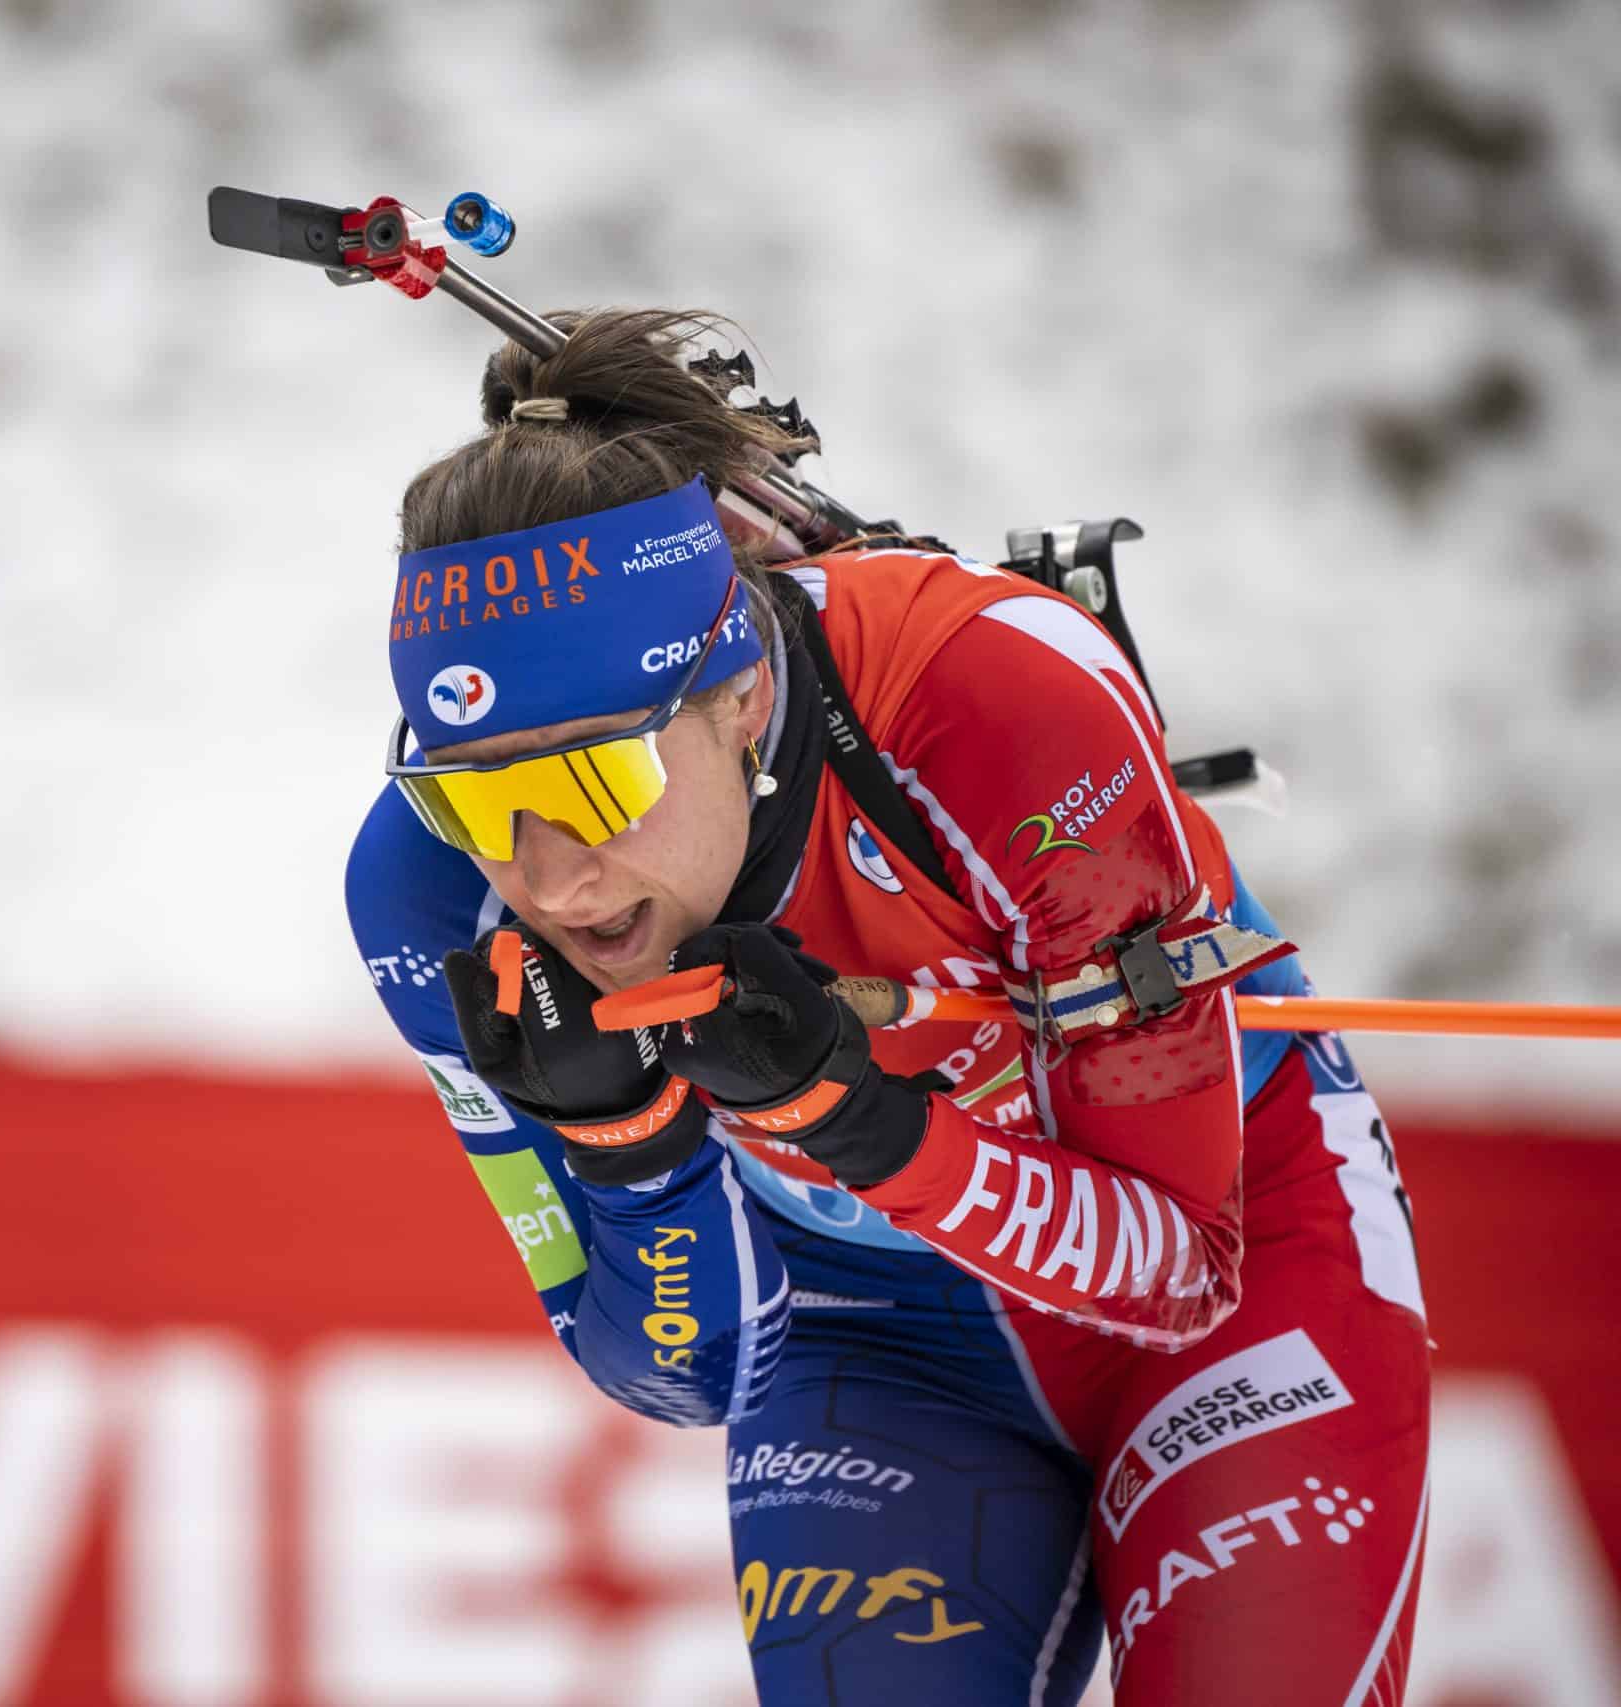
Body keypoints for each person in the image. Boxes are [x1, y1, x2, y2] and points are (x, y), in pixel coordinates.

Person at [344, 309, 1431, 1705]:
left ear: (738, 697)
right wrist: (630, 1152)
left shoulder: (990, 698)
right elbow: (684, 1376)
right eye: (480, 797)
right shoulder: (434, 900)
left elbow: (1181, 1271)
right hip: (876, 1333)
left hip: (1245, 1263)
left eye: (594, 782)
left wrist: (846, 1119)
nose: (551, 874)